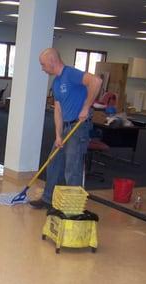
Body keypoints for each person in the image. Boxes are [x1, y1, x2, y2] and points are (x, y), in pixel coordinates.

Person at [29, 48, 102, 209]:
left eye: (43, 64)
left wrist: (86, 107)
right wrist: (58, 135)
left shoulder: (71, 74)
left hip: (78, 127)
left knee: (72, 168)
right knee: (53, 162)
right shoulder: (56, 82)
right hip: (66, 128)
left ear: (52, 61)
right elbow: (58, 110)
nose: (42, 68)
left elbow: (96, 81)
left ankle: (72, 208)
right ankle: (48, 199)